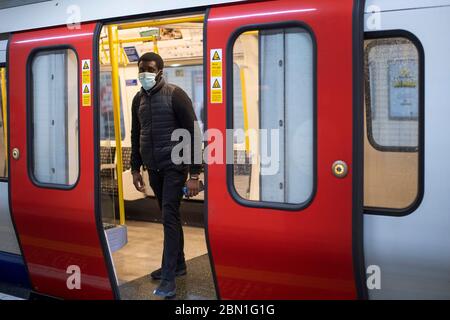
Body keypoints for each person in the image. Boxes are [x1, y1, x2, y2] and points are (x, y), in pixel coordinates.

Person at [130, 52, 202, 298]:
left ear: (160, 71)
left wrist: (194, 174)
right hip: (154, 169)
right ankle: (178, 264)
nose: (144, 74)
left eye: (149, 69)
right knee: (168, 216)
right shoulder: (137, 99)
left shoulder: (175, 94)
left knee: (169, 217)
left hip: (174, 168)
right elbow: (135, 133)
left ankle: (169, 279)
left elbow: (194, 133)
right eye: (141, 69)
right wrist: (135, 168)